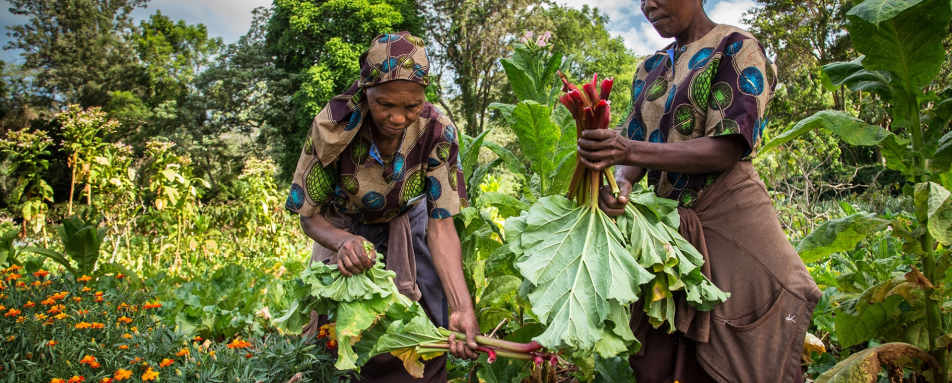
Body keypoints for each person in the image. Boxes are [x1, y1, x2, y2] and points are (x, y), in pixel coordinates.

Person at [576, 0, 821, 381]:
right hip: (667, 236)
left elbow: (726, 148)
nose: (648, 5)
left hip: (730, 222)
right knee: (661, 359)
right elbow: (636, 143)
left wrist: (627, 150)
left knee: (747, 352)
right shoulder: (650, 68)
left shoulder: (736, 48)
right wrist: (622, 182)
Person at [284, 31, 480, 382]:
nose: (398, 118)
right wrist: (343, 242)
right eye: (385, 104)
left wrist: (461, 307)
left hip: (409, 223)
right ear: (366, 92)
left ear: (424, 97)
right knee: (339, 334)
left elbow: (441, 224)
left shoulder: (437, 131)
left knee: (426, 327)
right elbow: (309, 217)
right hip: (342, 224)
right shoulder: (333, 126)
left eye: (411, 106)